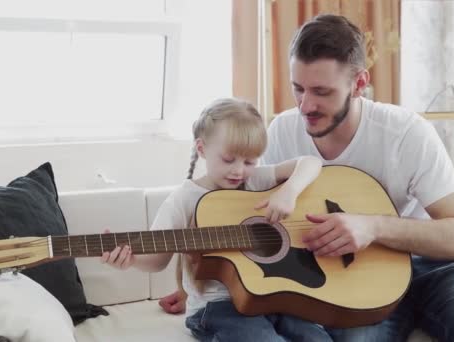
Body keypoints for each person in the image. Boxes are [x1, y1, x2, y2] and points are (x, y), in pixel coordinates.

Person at [159, 14, 454, 341]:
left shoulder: (406, 133)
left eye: (322, 92)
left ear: (359, 83)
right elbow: (244, 218)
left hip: (436, 267)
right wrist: (202, 284)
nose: (305, 105)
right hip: (351, 282)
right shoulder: (282, 131)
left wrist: (372, 227)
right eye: (298, 88)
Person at [100, 98, 330, 341]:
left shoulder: (256, 181)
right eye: (229, 159)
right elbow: (157, 261)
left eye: (250, 161)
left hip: (273, 299)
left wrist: (289, 191)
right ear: (202, 149)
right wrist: (132, 259)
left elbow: (311, 162)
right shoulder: (184, 199)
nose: (239, 171)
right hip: (217, 308)